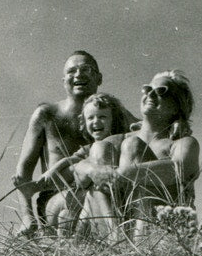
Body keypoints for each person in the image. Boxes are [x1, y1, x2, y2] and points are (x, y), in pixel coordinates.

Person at [12, 51, 137, 237]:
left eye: (86, 69)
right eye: (72, 71)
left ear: (99, 78)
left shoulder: (115, 112)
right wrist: (26, 216)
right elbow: (23, 174)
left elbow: (146, 130)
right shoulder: (47, 115)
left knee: (103, 194)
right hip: (57, 197)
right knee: (77, 206)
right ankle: (113, 239)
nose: (78, 75)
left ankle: (112, 242)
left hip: (104, 191)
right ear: (64, 81)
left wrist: (176, 124)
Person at [73, 69, 199, 243]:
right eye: (147, 89)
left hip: (161, 228)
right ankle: (117, 242)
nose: (151, 94)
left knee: (133, 146)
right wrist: (95, 170)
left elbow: (179, 169)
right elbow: (79, 171)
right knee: (100, 148)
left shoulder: (181, 143)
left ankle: (138, 243)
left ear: (177, 105)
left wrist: (121, 174)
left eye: (161, 91)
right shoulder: (119, 139)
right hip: (116, 228)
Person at [29, 93, 129, 236]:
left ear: (114, 120)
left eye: (102, 117)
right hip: (94, 195)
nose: (96, 121)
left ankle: (79, 238)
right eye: (90, 118)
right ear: (84, 122)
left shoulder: (120, 142)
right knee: (87, 197)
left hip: (114, 195)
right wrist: (51, 172)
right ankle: (105, 234)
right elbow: (70, 160)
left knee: (85, 202)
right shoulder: (88, 148)